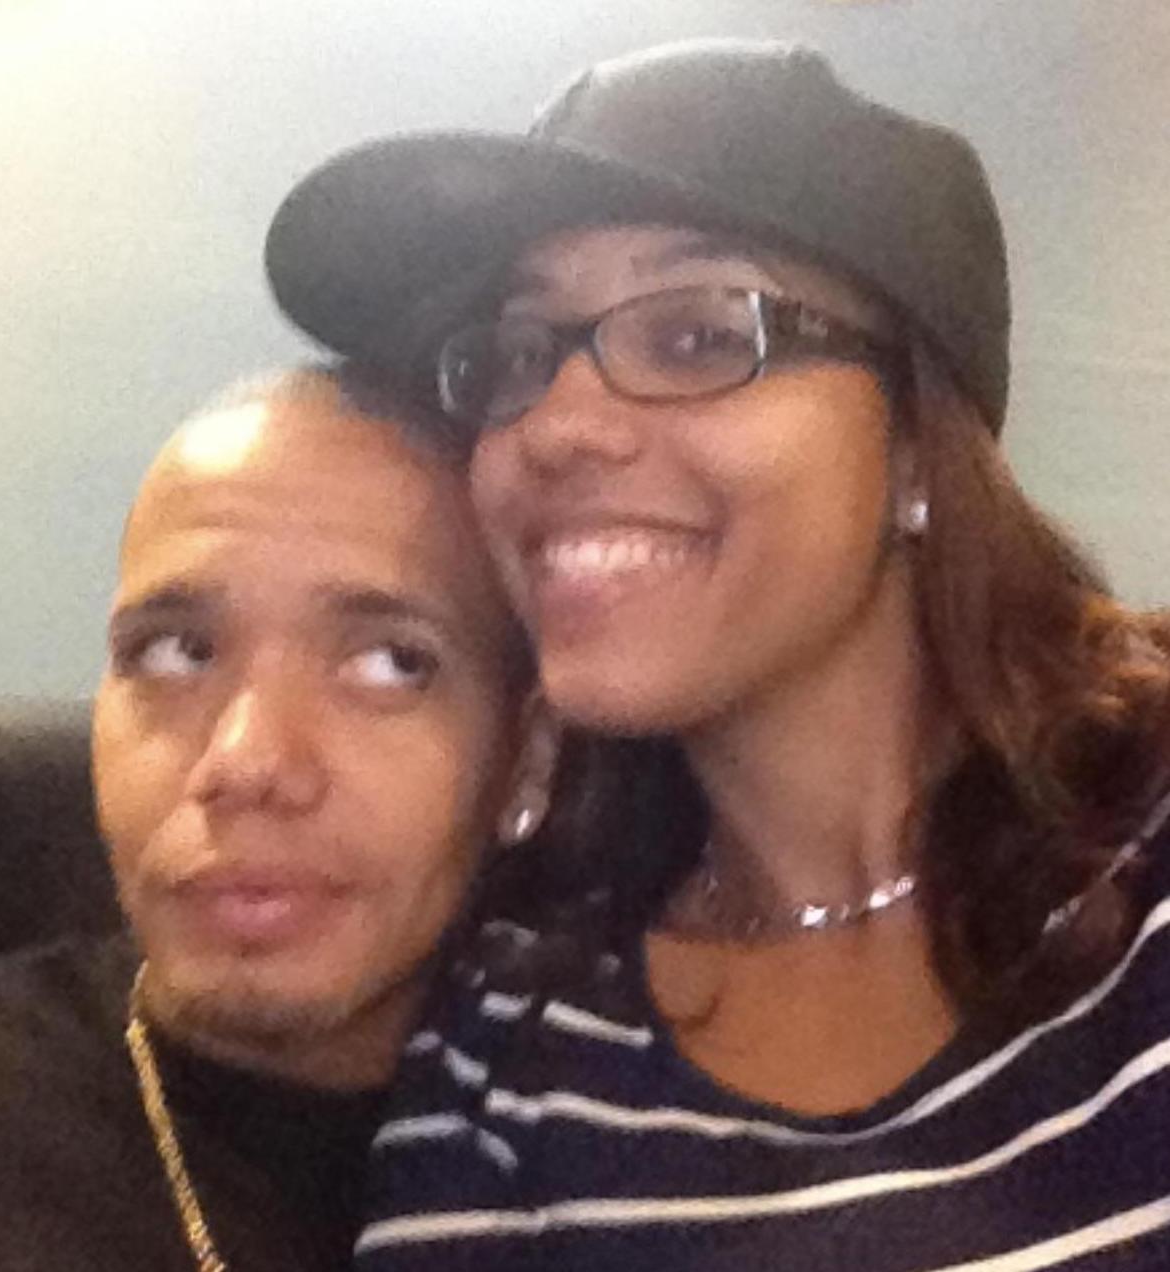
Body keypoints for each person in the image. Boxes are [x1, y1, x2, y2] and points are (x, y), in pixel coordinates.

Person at [266, 39, 1170, 1270]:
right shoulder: (515, 1048)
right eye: (518, 356)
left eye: (696, 336)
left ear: (917, 445)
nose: (556, 426)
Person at [0, 367, 560, 1271]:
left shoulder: (638, 1145)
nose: (247, 762)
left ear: (527, 762)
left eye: (391, 663)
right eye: (176, 651)